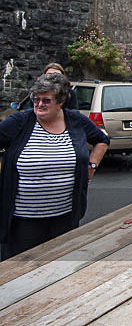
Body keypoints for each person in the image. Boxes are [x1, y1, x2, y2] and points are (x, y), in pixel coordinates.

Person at [0, 73, 109, 260]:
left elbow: (102, 140)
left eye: (46, 100)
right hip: (24, 220)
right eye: (36, 99)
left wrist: (91, 165)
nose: (39, 105)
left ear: (60, 102)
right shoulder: (20, 122)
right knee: (21, 270)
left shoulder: (75, 120)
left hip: (65, 216)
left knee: (59, 266)